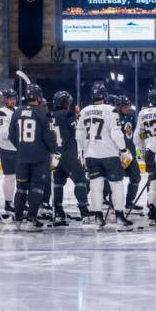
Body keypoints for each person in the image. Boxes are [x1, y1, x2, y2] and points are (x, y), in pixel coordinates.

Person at [77, 84, 132, 231]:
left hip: (90, 154)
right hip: (109, 154)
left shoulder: (84, 111)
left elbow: (79, 136)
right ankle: (119, 215)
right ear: (105, 96)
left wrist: (82, 153)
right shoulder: (111, 110)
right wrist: (123, 149)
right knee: (116, 185)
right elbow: (116, 132)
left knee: (96, 186)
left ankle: (98, 216)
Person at [9, 84, 57, 231]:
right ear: (38, 97)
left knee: (21, 187)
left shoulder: (17, 112)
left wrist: (21, 147)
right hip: (39, 157)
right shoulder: (44, 113)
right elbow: (49, 136)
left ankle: (18, 218)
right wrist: (54, 151)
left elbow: (11, 135)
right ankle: (31, 219)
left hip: (22, 156)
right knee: (37, 188)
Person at [50, 91, 88, 225]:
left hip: (55, 155)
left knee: (58, 183)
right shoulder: (69, 114)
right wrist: (78, 116)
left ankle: (59, 212)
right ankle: (84, 211)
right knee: (81, 180)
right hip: (69, 155)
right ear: (66, 103)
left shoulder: (50, 115)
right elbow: (78, 130)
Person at [135, 88, 156, 221]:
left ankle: (152, 209)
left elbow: (138, 137)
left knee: (153, 182)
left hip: (150, 152)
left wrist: (144, 148)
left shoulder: (143, 113)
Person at [0, 88, 19, 216]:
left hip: (17, 149)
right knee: (10, 177)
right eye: (10, 98)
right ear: (5, 99)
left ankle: (18, 202)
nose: (12, 101)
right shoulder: (1, 113)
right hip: (6, 148)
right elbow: (3, 133)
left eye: (14, 98)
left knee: (20, 178)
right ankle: (8, 203)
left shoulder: (17, 110)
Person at [116, 96, 143, 213]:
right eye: (125, 106)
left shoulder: (131, 116)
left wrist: (147, 135)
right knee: (115, 181)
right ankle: (113, 202)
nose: (127, 108)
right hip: (118, 155)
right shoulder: (114, 117)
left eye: (128, 106)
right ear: (119, 106)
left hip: (130, 154)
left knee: (136, 177)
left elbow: (137, 133)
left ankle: (129, 202)